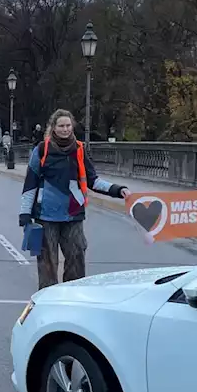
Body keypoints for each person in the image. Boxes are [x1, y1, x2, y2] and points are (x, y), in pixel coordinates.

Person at [19, 109, 130, 291]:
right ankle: (48, 297)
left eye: (68, 125)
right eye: (61, 126)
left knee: (77, 257)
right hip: (46, 216)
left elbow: (93, 180)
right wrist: (24, 213)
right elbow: (30, 184)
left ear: (72, 126)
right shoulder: (41, 150)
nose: (65, 129)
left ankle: (74, 295)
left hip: (73, 215)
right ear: (53, 128)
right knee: (47, 262)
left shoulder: (79, 149)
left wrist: (117, 190)